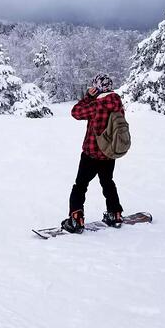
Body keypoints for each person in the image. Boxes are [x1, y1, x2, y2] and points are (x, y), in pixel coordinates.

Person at [61, 74, 125, 234]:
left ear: (97, 87)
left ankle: (76, 219)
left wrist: (88, 97)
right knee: (108, 183)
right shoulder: (117, 103)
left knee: (80, 186)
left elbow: (75, 112)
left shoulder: (97, 105)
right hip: (109, 153)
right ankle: (115, 214)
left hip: (91, 154)